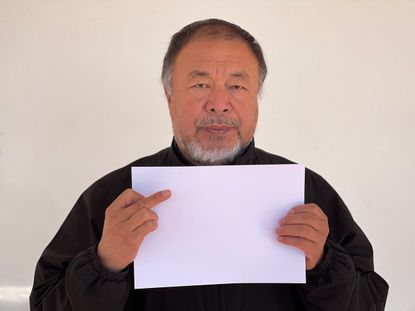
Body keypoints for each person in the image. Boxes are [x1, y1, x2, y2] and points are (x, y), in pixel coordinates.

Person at [30, 19, 388, 311]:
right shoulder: (113, 197)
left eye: (237, 86)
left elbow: (370, 303)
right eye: (201, 84)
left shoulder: (308, 192)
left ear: (257, 101)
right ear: (170, 98)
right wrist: (103, 264)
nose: (219, 104)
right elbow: (43, 304)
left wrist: (324, 264)